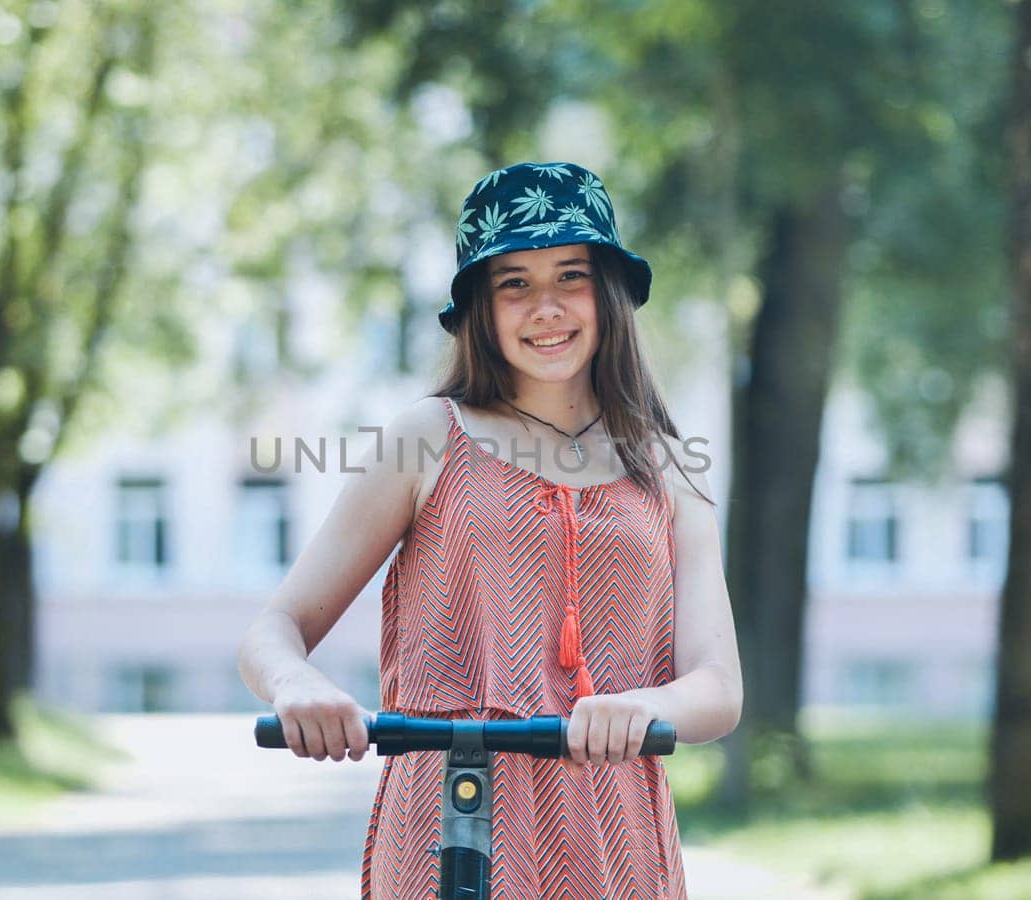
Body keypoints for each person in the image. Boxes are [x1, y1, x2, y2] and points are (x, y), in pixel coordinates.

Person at [237, 161, 742, 898]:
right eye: (515, 284)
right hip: (450, 829)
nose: (546, 307)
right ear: (481, 306)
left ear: (607, 292)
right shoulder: (427, 439)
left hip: (614, 840)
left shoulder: (671, 471)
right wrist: (296, 686)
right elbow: (273, 629)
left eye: (571, 276)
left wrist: (647, 706)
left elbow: (718, 688)